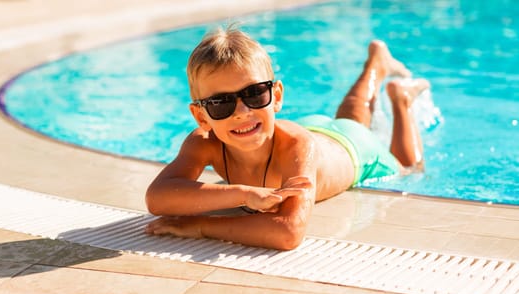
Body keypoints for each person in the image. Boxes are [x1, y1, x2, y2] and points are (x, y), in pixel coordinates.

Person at [145, 27, 429, 250]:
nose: (242, 112)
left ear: (276, 97)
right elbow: (158, 198)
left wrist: (202, 226)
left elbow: (288, 232)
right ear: (201, 116)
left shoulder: (297, 146)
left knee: (408, 167)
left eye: (255, 94)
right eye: (221, 103)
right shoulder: (204, 141)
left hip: (354, 151)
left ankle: (401, 100)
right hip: (307, 130)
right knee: (351, 118)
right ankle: (375, 66)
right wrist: (243, 193)